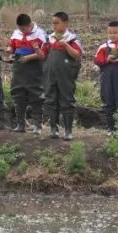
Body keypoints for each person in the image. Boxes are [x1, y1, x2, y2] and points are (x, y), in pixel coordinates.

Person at [43, 11, 82, 140]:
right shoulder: (49, 38)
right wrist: (36, 49)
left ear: (65, 23)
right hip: (50, 74)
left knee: (66, 100)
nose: (54, 26)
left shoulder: (72, 39)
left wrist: (65, 45)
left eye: (57, 23)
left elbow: (77, 54)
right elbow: (43, 55)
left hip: (65, 75)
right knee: (50, 99)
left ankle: (68, 131)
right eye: (53, 23)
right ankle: (54, 129)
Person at [8, 13, 48, 133]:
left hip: (34, 69)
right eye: (20, 29)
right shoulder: (16, 33)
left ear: (30, 25)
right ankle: (20, 125)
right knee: (18, 94)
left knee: (36, 95)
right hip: (18, 69)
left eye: (24, 29)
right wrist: (10, 51)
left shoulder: (40, 34)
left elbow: (43, 54)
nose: (22, 31)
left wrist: (29, 57)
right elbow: (12, 47)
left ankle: (37, 125)